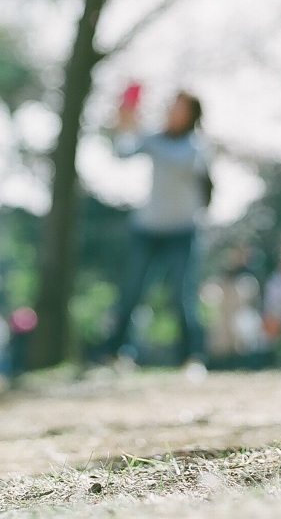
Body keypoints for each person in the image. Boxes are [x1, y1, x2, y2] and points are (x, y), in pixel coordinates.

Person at [104, 88, 211, 375]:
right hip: (147, 229)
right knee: (132, 292)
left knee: (181, 296)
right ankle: (118, 354)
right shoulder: (152, 138)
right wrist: (122, 125)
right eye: (171, 106)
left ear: (191, 116)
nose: (171, 112)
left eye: (179, 108)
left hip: (182, 231)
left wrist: (138, 129)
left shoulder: (196, 146)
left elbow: (179, 161)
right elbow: (122, 152)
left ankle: (191, 358)